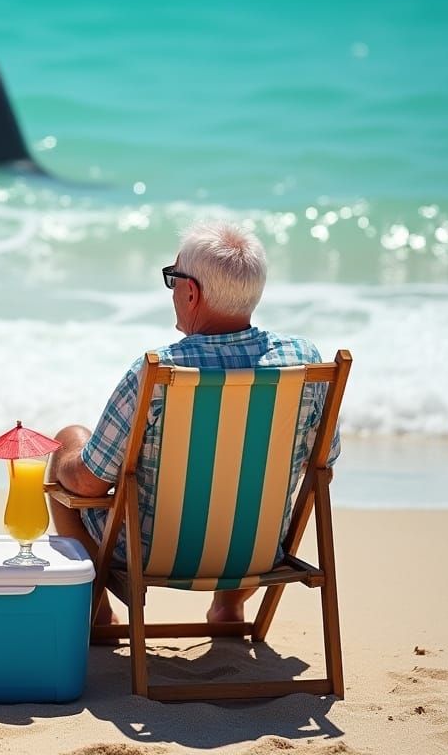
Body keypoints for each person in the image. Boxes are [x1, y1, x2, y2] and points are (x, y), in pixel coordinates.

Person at [49, 221, 337, 626]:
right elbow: (322, 461)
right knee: (241, 480)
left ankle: (99, 612)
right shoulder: (306, 361)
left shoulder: (159, 371)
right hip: (258, 552)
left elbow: (90, 483)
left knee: (69, 441)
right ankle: (229, 606)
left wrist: (61, 459)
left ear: (192, 291)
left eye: (174, 278)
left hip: (152, 554)